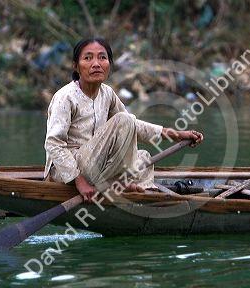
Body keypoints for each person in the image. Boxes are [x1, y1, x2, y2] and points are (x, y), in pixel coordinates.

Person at [44, 37, 204, 202]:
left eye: (102, 58)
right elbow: (53, 144)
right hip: (66, 173)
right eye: (88, 58)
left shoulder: (107, 94)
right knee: (124, 120)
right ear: (76, 66)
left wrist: (176, 134)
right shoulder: (65, 97)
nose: (96, 64)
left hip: (94, 167)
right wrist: (79, 180)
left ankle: (137, 192)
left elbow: (133, 126)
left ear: (109, 65)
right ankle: (119, 183)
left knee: (144, 158)